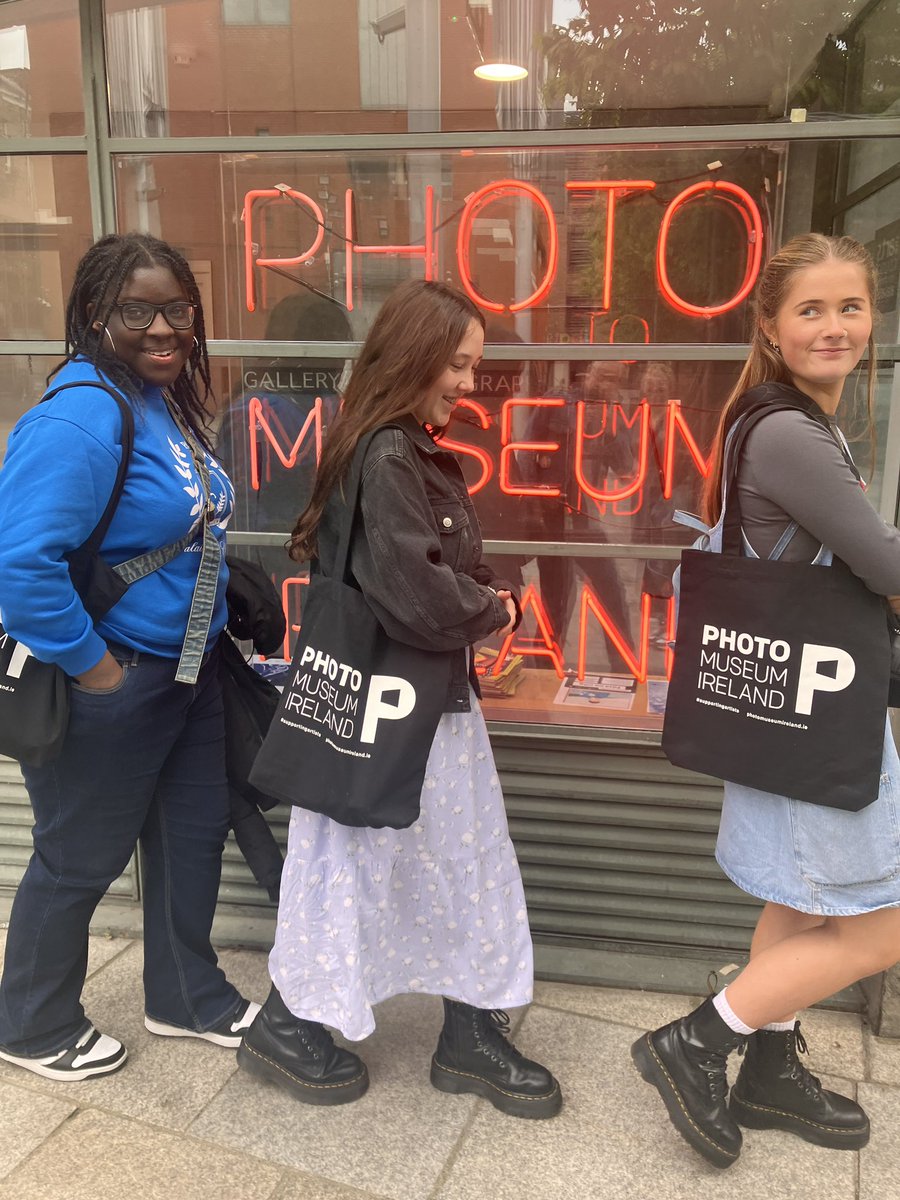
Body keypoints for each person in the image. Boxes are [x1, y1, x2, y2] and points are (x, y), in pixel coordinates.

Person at [237, 279, 562, 1119]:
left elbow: (415, 570)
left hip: (402, 704)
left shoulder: (390, 442)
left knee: (427, 859)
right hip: (402, 704)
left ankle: (461, 1026)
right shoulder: (388, 451)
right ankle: (302, 1022)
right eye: (457, 363)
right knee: (381, 861)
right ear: (414, 355)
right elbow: (418, 597)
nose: (467, 382)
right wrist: (500, 609)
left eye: (473, 365)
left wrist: (469, 590)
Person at [631, 234, 900, 1167]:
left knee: (795, 907)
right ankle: (699, 1041)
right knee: (881, 927)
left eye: (851, 307)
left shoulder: (781, 421)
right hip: (814, 711)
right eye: (812, 310)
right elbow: (887, 565)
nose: (836, 326)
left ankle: (769, 1064)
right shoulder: (788, 431)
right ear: (773, 329)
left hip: (794, 704)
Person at [0, 233, 259, 1081]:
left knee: (193, 838)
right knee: (79, 857)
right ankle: (33, 1024)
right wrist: (95, 670)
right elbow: (21, 566)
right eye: (136, 311)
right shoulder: (80, 415)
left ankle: (187, 996)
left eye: (177, 310)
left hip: (188, 673)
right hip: (118, 679)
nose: (162, 328)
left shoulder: (157, 399)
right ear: (93, 317)